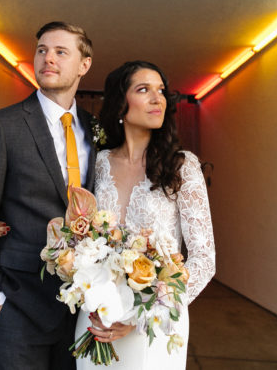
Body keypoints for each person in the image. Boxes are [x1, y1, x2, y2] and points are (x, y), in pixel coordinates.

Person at [0, 21, 97, 370]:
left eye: (61, 52)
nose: (48, 58)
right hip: (18, 306)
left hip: (83, 310)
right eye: (42, 50)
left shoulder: (98, 130)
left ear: (84, 64)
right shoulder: (1, 126)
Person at [80, 60, 216, 369]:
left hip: (154, 326)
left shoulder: (182, 166)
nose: (158, 99)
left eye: (161, 91)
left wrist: (141, 316)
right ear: (120, 103)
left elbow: (203, 259)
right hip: (97, 319)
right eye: (144, 90)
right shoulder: (98, 163)